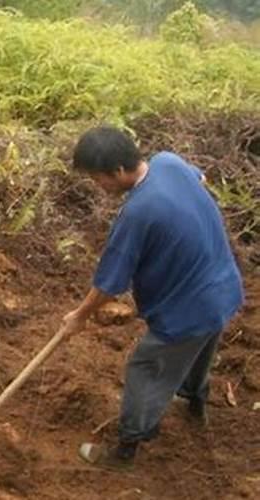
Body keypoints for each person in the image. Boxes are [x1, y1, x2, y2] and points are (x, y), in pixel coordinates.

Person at [59, 126, 244, 470]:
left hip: (189, 308)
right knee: (202, 345)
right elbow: (199, 180)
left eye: (99, 179)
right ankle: (194, 402)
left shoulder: (137, 212)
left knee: (145, 366)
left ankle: (126, 447)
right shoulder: (168, 162)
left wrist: (80, 316)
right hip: (223, 287)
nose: (99, 188)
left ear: (117, 171)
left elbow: (110, 284)